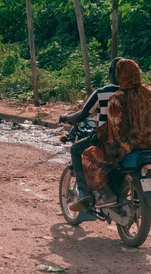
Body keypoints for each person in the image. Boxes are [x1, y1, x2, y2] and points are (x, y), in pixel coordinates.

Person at [81, 58, 151, 207]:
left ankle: (106, 194)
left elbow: (114, 132)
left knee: (89, 154)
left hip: (128, 148)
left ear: (120, 75)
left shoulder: (117, 97)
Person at [59, 57, 123, 211]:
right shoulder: (133, 94)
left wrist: (66, 117)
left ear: (110, 72)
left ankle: (84, 193)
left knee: (76, 150)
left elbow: (81, 116)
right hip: (129, 141)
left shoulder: (101, 93)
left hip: (106, 141)